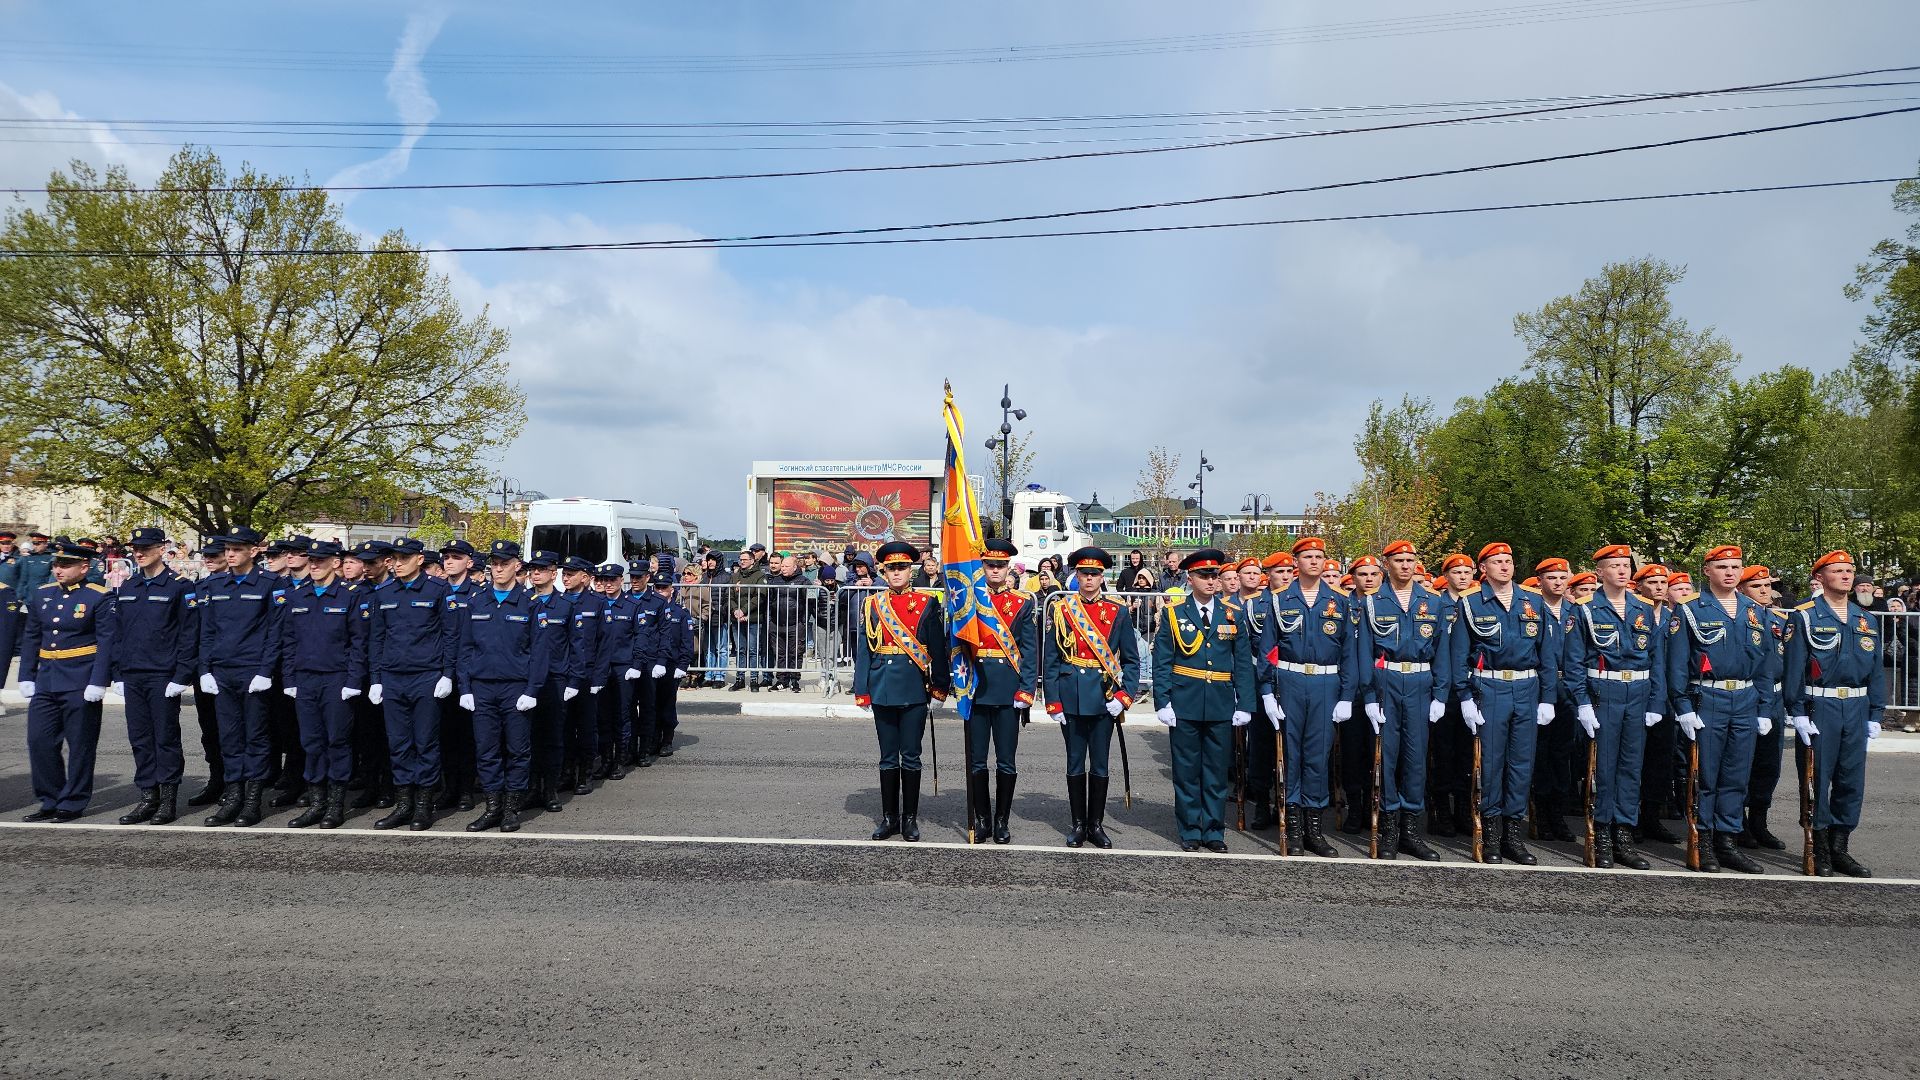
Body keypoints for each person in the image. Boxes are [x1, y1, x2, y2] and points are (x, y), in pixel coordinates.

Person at [1664, 545, 1772, 875]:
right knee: (1706, 776)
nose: (1730, 572)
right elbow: (1678, 664)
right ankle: (1704, 841)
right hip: (1707, 699)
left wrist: (1765, 707)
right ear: (1707, 571)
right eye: (1722, 566)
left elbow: (1766, 664)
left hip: (1745, 699)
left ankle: (1728, 842)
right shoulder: (1691, 610)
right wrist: (1682, 706)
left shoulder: (1755, 611)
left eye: (1735, 566)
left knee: (1737, 777)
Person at [1254, 536, 1363, 857]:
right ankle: (1294, 829)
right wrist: (1267, 693)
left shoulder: (1340, 602)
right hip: (1289, 681)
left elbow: (1349, 653)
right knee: (1291, 756)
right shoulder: (1278, 601)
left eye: (1319, 556)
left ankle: (1315, 829)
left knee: (1318, 756)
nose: (1314, 561)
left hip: (1326, 685)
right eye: (1308, 556)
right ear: (1295, 562)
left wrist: (1346, 695)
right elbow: (1267, 651)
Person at [1451, 542, 1559, 865]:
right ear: (1483, 569)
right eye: (1497, 561)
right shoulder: (1470, 603)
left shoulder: (1534, 602)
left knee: (1522, 764)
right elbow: (1459, 656)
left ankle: (1514, 835)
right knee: (1492, 765)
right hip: (1490, 687)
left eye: (1508, 560)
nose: (1505, 566)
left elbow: (1548, 655)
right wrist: (1465, 697)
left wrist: (1548, 698)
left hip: (1527, 687)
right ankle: (1492, 834)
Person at [1560, 545, 1665, 870]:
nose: (1621, 571)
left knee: (1631, 768)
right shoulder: (1586, 609)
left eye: (1625, 565)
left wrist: (1656, 701)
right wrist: (1582, 703)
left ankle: (1624, 834)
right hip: (1603, 692)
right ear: (1600, 572)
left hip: (1639, 690)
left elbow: (1657, 658)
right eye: (1614, 566)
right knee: (1603, 769)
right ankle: (1602, 833)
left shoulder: (1644, 608)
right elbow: (1573, 662)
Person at [1783, 550, 1885, 877]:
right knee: (1817, 778)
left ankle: (1841, 847)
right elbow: (1794, 668)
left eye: (1849, 570)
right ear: (1821, 578)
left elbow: (1876, 671)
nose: (1846, 576)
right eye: (1838, 570)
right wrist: (1796, 712)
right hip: (1820, 706)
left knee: (1850, 780)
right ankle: (1820, 846)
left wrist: (1875, 713)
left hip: (1856, 707)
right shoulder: (1805, 615)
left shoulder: (1865, 618)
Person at [1152, 548, 1254, 853]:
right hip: (1185, 700)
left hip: (1221, 703)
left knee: (1215, 771)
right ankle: (1190, 829)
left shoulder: (1232, 614)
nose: (1211, 581)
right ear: (1190, 578)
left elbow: (1243, 662)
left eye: (1215, 575)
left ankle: (1213, 830)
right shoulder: (1174, 613)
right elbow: (1162, 661)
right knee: (1186, 770)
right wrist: (1162, 701)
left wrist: (1245, 703)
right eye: (1204, 576)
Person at [1358, 540, 1452, 861]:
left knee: (1415, 757)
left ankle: (1411, 831)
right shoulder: (1373, 602)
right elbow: (1364, 655)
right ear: (1388, 564)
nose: (1406, 565)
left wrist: (1441, 693)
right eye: (1399, 560)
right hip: (1386, 681)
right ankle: (1389, 829)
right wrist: (1369, 696)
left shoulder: (1433, 602)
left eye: (1411, 560)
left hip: (1421, 682)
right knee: (1387, 756)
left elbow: (1442, 652)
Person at [1043, 546, 1140, 849]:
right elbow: (1052, 660)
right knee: (1074, 762)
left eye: (1095, 574)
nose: (1089, 579)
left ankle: (1096, 825)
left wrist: (1123, 696)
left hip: (1103, 696)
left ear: (1102, 577)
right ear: (1076, 575)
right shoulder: (1062, 610)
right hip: (1071, 696)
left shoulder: (1117, 611)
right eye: (1084, 573)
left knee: (1099, 764)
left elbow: (1132, 661)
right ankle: (1077, 825)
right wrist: (1053, 700)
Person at [853, 541, 949, 842]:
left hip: (914, 689)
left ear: (911, 570)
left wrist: (939, 689)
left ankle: (909, 819)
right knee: (886, 758)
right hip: (882, 688)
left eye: (902, 568)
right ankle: (888, 818)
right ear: (884, 571)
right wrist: (862, 689)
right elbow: (865, 650)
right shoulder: (872, 604)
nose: (896, 573)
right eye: (891, 568)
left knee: (911, 756)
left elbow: (937, 648)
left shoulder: (928, 604)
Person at [362, 536, 458, 831]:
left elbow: (450, 634)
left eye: (404, 558)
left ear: (419, 559)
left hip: (426, 676)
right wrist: (375, 679)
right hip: (393, 677)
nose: (398, 564)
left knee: (425, 742)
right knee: (399, 743)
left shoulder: (438, 589)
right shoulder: (384, 592)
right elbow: (377, 638)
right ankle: (403, 804)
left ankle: (423, 805)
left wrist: (447, 674)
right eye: (394, 559)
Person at [18, 539, 115, 822]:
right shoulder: (42, 594)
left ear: (84, 567)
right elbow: (31, 637)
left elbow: (107, 642)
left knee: (80, 745)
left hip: (80, 679)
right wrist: (26, 675)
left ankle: (72, 802)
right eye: (57, 564)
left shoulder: (99, 597)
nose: (58, 569)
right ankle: (50, 798)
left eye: (66, 565)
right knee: (39, 741)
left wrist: (99, 681)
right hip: (47, 678)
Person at [195, 527, 286, 828]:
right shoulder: (215, 584)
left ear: (254, 551)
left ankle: (252, 800)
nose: (229, 554)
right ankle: (233, 796)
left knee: (256, 737)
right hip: (223, 671)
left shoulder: (271, 584)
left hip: (252, 671)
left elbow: (275, 632)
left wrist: (265, 671)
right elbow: (207, 631)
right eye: (228, 549)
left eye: (237, 549)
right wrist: (205, 669)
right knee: (230, 737)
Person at [457, 540, 551, 833]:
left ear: (516, 566)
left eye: (504, 563)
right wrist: (465, 688)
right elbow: (465, 648)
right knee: (486, 751)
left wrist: (532, 690)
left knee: (517, 750)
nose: (498, 569)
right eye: (494, 564)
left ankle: (511, 809)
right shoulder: (476, 601)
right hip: (482, 687)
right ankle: (492, 807)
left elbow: (539, 652)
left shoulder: (530, 604)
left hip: (516, 688)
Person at [106, 527, 197, 826]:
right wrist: (117, 672)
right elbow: (118, 634)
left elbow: (187, 634)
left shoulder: (179, 586)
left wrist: (182, 675)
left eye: (145, 547)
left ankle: (168, 800)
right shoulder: (129, 586)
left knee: (165, 738)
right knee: (141, 739)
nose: (138, 552)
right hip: (133, 674)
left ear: (162, 549)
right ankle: (148, 797)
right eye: (135, 548)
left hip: (163, 675)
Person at [275, 540, 361, 829]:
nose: (314, 565)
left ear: (335, 563)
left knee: (337, 741)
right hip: (306, 678)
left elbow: (358, 643)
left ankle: (335, 805)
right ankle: (316, 802)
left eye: (320, 561)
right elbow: (289, 640)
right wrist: (290, 678)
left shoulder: (349, 595)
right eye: (310, 560)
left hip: (336, 679)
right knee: (311, 742)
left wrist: (353, 680)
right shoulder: (298, 596)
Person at [962, 538, 1037, 844]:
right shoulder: (969, 600)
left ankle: (1002, 820)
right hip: (977, 687)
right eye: (989, 564)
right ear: (982, 566)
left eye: (1000, 565)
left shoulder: (1022, 602)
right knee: (977, 760)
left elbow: (1029, 651)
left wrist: (1026, 690)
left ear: (1008, 569)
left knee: (1006, 760)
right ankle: (982, 819)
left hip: (1007, 690)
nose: (994, 570)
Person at [1529, 556, 1583, 843]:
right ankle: (1540, 814)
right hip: (1540, 688)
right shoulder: (1533, 610)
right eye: (1552, 578)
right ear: (1540, 581)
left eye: (1563, 578)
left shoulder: (1576, 611)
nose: (1558, 583)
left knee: (1564, 754)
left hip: (1570, 686)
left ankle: (1558, 815)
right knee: (1541, 753)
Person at [1427, 553, 1480, 837]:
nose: (1463, 577)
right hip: (1443, 690)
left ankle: (1463, 808)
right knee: (1442, 752)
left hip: (1471, 689)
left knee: (1466, 754)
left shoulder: (1479, 604)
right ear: (1446, 576)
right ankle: (1440, 811)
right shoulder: (1437, 604)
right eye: (1457, 572)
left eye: (1468, 572)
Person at [1738, 565, 1789, 852]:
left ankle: (1759, 820)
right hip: (1748, 696)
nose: (1765, 591)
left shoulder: (1778, 620)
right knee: (1742, 763)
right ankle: (1738, 823)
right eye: (1757, 586)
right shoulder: (1741, 619)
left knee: (1768, 765)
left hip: (1775, 698)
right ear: (1742, 590)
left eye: (1768, 585)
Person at [436, 539, 481, 813]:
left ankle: (465, 789)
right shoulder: (437, 591)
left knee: (466, 735)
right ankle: (448, 787)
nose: (449, 561)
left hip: (467, 673)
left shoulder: (476, 594)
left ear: (469, 562)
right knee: (443, 734)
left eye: (456, 557)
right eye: (446, 557)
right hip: (438, 671)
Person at [636, 569, 696, 762]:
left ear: (672, 589)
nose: (661, 590)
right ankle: (653, 739)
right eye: (658, 587)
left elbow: (687, 642)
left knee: (667, 703)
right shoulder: (649, 608)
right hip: (653, 662)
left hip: (671, 664)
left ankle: (667, 739)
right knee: (650, 703)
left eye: (665, 587)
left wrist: (683, 665)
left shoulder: (680, 613)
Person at [729, 548, 769, 691]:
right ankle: (739, 678)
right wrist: (735, 610)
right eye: (741, 559)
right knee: (740, 649)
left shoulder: (759, 575)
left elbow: (759, 596)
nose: (742, 562)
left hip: (753, 618)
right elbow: (730, 596)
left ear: (752, 561)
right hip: (737, 619)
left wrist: (744, 610)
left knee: (753, 650)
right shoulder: (735, 576)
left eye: (745, 559)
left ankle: (753, 679)